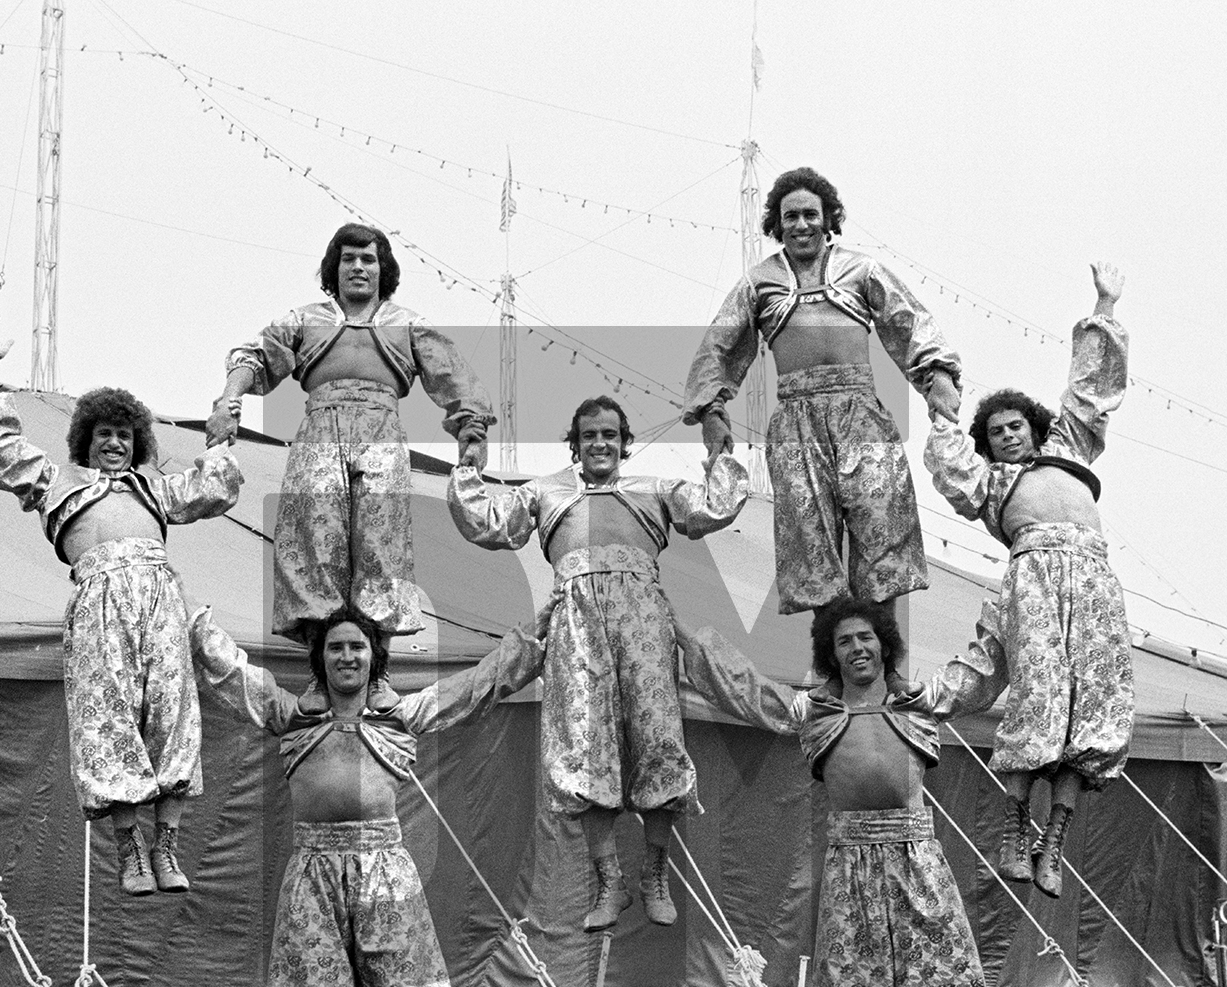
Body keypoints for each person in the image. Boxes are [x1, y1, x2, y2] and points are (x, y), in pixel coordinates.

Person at [191, 604, 548, 987]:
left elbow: (477, 686)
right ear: (320, 658)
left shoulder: (401, 716)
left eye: (357, 646)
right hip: (312, 875)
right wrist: (184, 615)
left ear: (373, 657)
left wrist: (534, 639)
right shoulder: (291, 717)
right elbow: (233, 674)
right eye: (335, 647)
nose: (347, 656)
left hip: (386, 873)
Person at [675, 599, 998, 987]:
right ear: (832, 652)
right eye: (845, 640)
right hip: (850, 864)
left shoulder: (918, 703)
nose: (858, 648)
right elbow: (742, 687)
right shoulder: (815, 711)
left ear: (885, 644)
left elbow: (978, 676)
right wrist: (677, 629)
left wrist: (1010, 612)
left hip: (919, 861)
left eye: (867, 638)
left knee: (949, 986)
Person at [0, 310, 242, 896]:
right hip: (100, 599)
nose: (115, 443)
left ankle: (166, 849)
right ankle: (131, 852)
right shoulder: (57, 483)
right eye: (104, 435)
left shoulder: (154, 489)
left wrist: (221, 432)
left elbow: (214, 487)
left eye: (126, 435)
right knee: (108, 716)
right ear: (86, 441)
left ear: (138, 443)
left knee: (172, 713)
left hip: (159, 596)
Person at [447, 396, 749, 931]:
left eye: (610, 434)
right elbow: (484, 522)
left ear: (625, 443)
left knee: (657, 738)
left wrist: (717, 439)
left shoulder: (653, 489)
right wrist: (469, 458)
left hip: (643, 620)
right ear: (576, 443)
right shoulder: (545, 491)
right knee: (585, 745)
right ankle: (608, 881)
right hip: (576, 622)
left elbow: (713, 508)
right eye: (590, 435)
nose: (601, 444)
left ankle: (654, 871)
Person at [922, 263, 1133, 897]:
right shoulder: (990, 482)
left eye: (1015, 426)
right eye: (995, 433)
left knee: (1091, 715)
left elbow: (1088, 388)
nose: (1007, 435)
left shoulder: (1070, 449)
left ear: (1034, 429)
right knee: (1039, 703)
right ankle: (1015, 832)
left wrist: (1105, 305)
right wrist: (944, 414)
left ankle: (1054, 843)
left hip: (1093, 579)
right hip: (1036, 577)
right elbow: (951, 464)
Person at [682, 167, 961, 619]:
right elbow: (719, 344)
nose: (801, 225)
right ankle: (830, 675)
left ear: (828, 218)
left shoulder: (861, 269)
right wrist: (712, 409)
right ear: (777, 223)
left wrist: (937, 377)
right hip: (796, 420)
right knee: (810, 543)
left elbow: (910, 322)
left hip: (861, 414)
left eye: (811, 214)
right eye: (790, 216)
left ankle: (887, 670)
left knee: (881, 532)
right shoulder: (759, 282)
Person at [207, 223, 495, 640]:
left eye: (368, 259)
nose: (358, 267)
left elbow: (456, 379)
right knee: (314, 543)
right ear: (334, 268)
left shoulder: (409, 324)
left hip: (382, 433)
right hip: (319, 433)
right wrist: (228, 402)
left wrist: (473, 433)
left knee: (380, 545)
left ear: (383, 270)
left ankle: (375, 672)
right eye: (348, 259)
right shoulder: (304, 319)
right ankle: (318, 671)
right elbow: (252, 357)